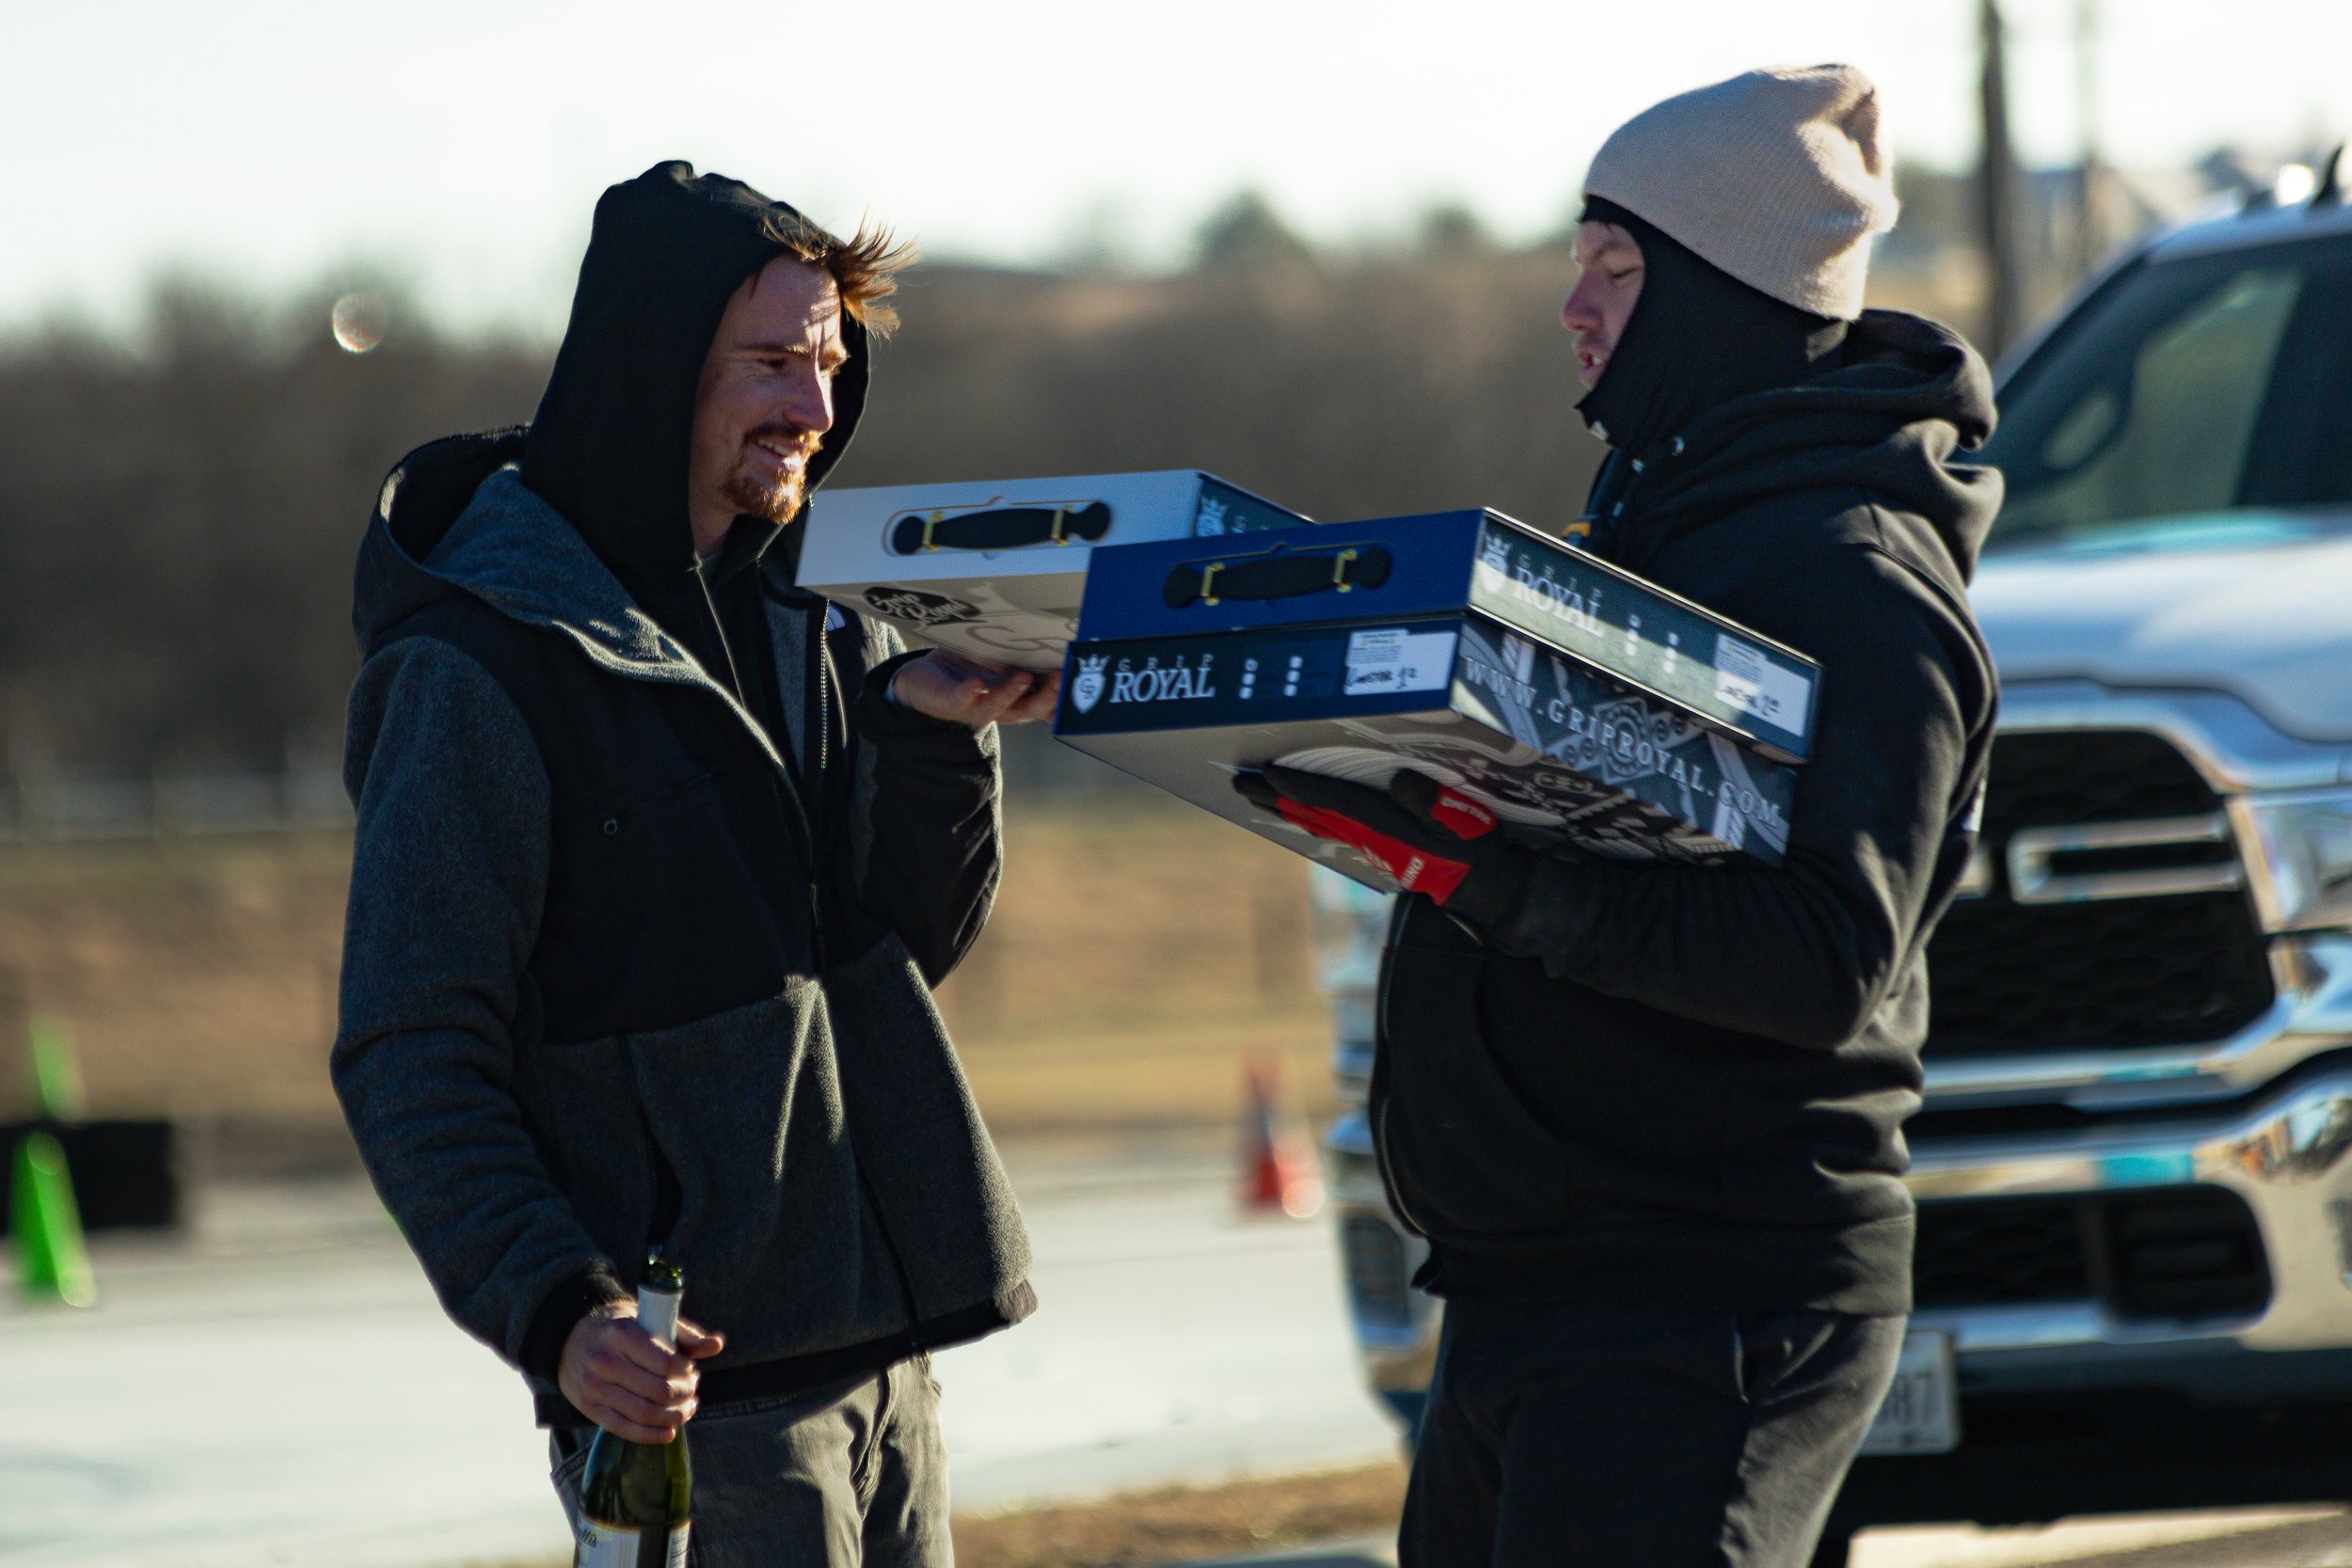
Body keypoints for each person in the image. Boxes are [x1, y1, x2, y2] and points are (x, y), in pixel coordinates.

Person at [1242, 67, 2001, 1567]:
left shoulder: (1857, 583)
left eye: (1616, 268)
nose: (1574, 307)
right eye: (1575, 264)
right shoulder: (1645, 542)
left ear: (1722, 293)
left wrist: (1488, 877)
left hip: (1708, 1299)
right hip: (1530, 1284)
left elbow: (1822, 957)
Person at [332, 163, 1055, 1566]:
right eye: (774, 363)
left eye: (831, 364)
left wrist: (932, 737)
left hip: (885, 1370)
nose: (815, 408)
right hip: (690, 1417)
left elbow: (899, 950)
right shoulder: (479, 665)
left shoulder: (821, 618)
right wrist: (559, 1310)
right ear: (658, 369)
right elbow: (412, 1046)